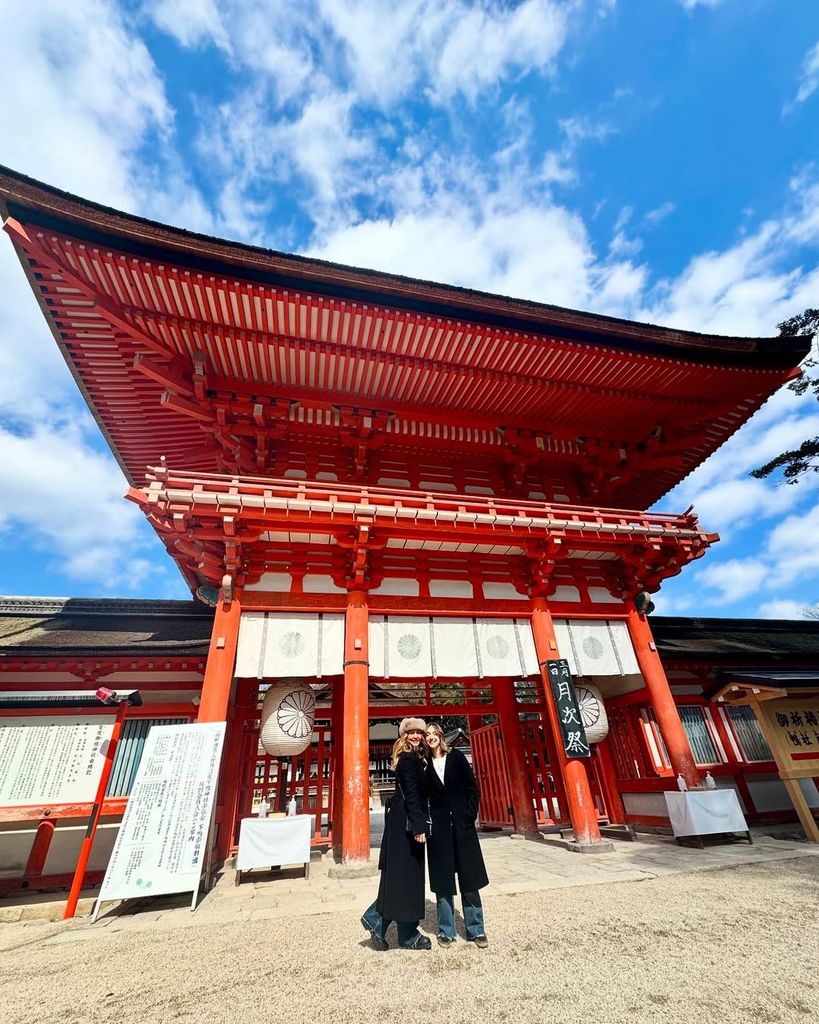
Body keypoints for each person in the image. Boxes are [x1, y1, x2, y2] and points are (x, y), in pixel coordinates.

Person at [360, 718, 432, 951]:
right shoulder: (409, 760)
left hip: (401, 819)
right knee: (409, 874)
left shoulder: (412, 758)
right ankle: (407, 934)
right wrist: (419, 826)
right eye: (411, 733)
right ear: (404, 735)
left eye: (418, 733)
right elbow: (412, 794)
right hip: (407, 822)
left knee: (402, 874)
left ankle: (376, 918)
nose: (416, 736)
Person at [425, 721, 489, 948]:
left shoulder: (457, 758)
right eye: (427, 734)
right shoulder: (425, 765)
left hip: (462, 827)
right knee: (443, 881)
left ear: (441, 736)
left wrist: (469, 815)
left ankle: (476, 929)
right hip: (439, 830)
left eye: (434, 733)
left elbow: (472, 787)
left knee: (469, 878)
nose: (431, 737)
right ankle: (446, 930)